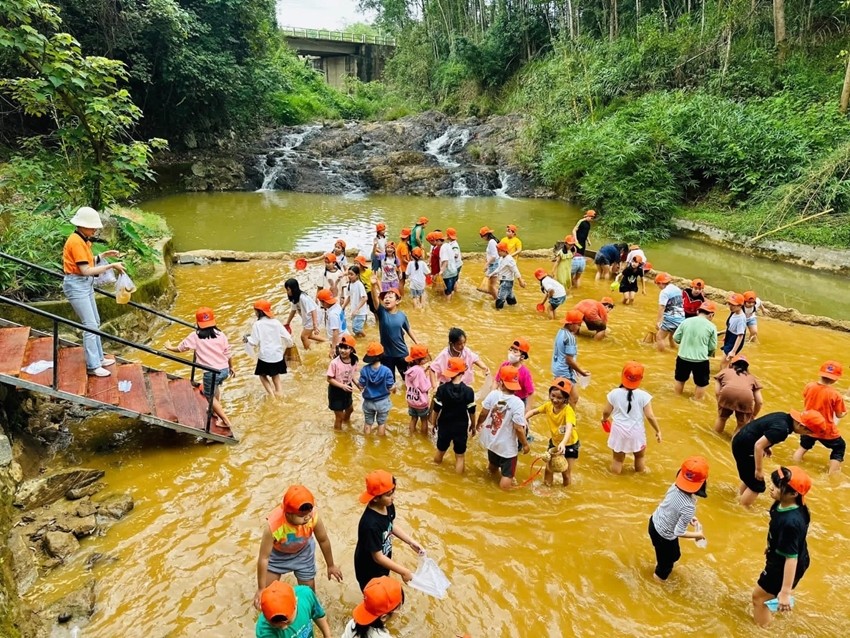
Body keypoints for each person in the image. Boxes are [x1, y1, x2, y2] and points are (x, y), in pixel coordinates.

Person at [254, 485, 343, 606]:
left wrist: (331, 565)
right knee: (268, 597)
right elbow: (264, 557)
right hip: (277, 558)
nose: (307, 517)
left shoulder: (313, 518)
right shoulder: (274, 526)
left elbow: (323, 540)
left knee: (309, 596)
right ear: (288, 513)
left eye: (309, 512)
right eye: (302, 516)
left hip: (303, 554)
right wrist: (260, 589)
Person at [62, 206, 125, 377]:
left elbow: (86, 262)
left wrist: (103, 255)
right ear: (81, 226)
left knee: (95, 322)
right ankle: (93, 366)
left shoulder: (83, 240)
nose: (95, 230)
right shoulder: (75, 242)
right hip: (77, 285)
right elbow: (86, 270)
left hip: (84, 284)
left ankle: (98, 359)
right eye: (92, 227)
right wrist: (112, 265)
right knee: (89, 326)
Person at [752, 466, 812, 628]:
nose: (772, 487)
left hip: (785, 565)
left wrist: (785, 592)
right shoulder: (783, 504)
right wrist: (771, 546)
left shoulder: (791, 522)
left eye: (778, 486)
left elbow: (791, 558)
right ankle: (779, 601)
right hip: (792, 558)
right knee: (767, 594)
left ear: (793, 494)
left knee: (758, 598)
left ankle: (765, 630)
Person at [732, 409, 827, 507]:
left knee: (750, 478)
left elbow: (762, 429)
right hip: (745, 448)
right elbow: (758, 446)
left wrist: (766, 447)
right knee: (757, 485)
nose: (806, 435)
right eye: (808, 432)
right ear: (801, 426)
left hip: (741, 440)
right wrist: (759, 469)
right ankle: (742, 508)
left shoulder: (783, 417)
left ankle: (738, 498)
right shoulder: (782, 430)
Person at [166, 307, 234, 430]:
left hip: (211, 372)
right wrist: (231, 367)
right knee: (215, 387)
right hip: (224, 369)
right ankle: (214, 410)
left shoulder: (195, 336)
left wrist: (170, 348)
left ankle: (226, 421)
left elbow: (182, 348)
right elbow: (228, 352)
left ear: (197, 323)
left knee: (209, 396)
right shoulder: (221, 334)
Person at [354, 470, 422, 590]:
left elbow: (390, 525)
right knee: (375, 598)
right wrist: (404, 571)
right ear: (375, 498)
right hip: (368, 569)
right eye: (388, 495)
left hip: (383, 562)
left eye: (393, 492)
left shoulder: (388, 506)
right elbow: (378, 557)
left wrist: (410, 541)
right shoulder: (370, 525)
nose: (393, 497)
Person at [648, 457, 708, 581]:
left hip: (654, 523)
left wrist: (689, 517)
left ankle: (661, 564)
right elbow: (678, 532)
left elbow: (672, 506)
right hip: (665, 536)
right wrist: (698, 535)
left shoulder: (674, 486)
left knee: (672, 555)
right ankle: (657, 581)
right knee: (665, 566)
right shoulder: (689, 506)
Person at [475, 366, 531, 490]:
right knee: (507, 479)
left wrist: (478, 424)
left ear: (501, 383)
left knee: (492, 467)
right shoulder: (518, 403)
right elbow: (518, 428)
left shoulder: (493, 395)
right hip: (507, 449)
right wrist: (525, 444)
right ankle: (504, 493)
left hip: (492, 442)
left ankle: (487, 489)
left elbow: (483, 413)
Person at [601, 361, 661, 474]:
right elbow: (650, 416)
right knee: (639, 457)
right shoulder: (644, 396)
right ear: (641, 378)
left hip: (618, 431)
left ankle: (614, 483)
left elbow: (606, 412)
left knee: (617, 460)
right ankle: (639, 479)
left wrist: (604, 419)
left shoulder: (614, 393)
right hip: (636, 432)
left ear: (623, 375)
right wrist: (658, 431)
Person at [793, 361, 847, 474]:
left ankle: (794, 467)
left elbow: (806, 397)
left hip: (807, 426)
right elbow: (839, 414)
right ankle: (832, 476)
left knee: (803, 447)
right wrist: (845, 413)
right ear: (836, 379)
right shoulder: (835, 395)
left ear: (820, 374)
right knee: (839, 447)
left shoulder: (809, 386)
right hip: (825, 430)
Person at [526, 378, 578, 486]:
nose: (554, 400)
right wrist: (524, 419)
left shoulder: (568, 411)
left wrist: (563, 443)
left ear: (566, 399)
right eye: (552, 396)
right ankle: (547, 488)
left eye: (559, 397)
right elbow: (534, 411)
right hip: (554, 443)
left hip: (569, 445)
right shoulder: (548, 406)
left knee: (566, 473)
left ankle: (566, 493)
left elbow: (569, 427)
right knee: (549, 469)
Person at [431, 357, 476, 473]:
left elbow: (436, 409)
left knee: (440, 451)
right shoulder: (468, 391)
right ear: (463, 372)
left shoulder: (442, 389)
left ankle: (434, 472)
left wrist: (433, 422)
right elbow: (472, 411)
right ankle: (458, 482)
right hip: (460, 427)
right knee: (460, 456)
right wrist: (473, 426)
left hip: (444, 425)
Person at [368, 279, 417, 381]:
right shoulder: (382, 313)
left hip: (402, 353)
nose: (386, 299)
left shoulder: (402, 315)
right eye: (385, 297)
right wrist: (373, 286)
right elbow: (375, 300)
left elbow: (408, 329)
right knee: (390, 382)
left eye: (390, 297)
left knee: (408, 379)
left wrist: (417, 342)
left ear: (398, 301)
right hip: (386, 355)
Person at [245, 299, 293, 399]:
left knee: (262, 375)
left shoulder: (257, 325)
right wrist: (289, 346)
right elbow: (288, 337)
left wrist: (247, 338)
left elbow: (254, 342)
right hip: (278, 356)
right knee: (275, 375)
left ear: (258, 312)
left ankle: (271, 395)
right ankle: (280, 393)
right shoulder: (276, 322)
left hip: (265, 357)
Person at [672, 300, 718, 400]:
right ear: (711, 315)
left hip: (683, 357)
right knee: (701, 384)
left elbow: (676, 338)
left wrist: (684, 343)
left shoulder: (686, 321)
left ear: (698, 311)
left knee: (680, 379)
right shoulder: (712, 327)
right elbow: (713, 347)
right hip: (700, 360)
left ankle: (677, 399)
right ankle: (696, 402)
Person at [255, 580, 332, 638]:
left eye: (287, 622)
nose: (284, 628)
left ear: (296, 602)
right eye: (276, 626)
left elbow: (318, 615)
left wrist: (327, 635)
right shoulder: (264, 631)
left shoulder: (306, 595)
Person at [551, 310, 590, 408]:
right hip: (565, 372)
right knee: (574, 398)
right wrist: (582, 372)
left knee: (560, 398)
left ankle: (558, 416)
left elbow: (563, 355)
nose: (579, 327)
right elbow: (569, 360)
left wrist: (575, 371)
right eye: (579, 324)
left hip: (557, 369)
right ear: (571, 324)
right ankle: (570, 421)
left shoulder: (560, 332)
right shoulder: (570, 338)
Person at [357, 343, 396, 436]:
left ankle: (367, 443)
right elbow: (390, 387)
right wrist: (395, 388)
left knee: (368, 423)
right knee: (381, 423)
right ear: (381, 355)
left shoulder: (364, 370)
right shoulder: (386, 371)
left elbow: (361, 386)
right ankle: (381, 445)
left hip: (368, 402)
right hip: (382, 402)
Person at [327, 335, 359, 430]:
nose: (342, 350)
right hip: (336, 390)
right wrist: (341, 386)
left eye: (346, 348)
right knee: (339, 417)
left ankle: (347, 425)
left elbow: (351, 374)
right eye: (341, 347)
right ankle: (339, 437)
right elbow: (329, 379)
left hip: (347, 388)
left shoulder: (354, 361)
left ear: (352, 350)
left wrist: (358, 384)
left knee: (350, 409)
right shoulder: (334, 363)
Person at [285, 279, 325, 350]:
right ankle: (325, 341)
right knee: (308, 335)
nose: (287, 292)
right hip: (309, 317)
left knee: (303, 336)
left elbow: (313, 310)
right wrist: (287, 323)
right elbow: (293, 310)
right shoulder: (295, 298)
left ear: (293, 289)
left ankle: (309, 352)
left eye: (288, 289)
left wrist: (315, 325)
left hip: (314, 316)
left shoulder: (303, 298)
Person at [403, 344, 433, 435]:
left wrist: (424, 371)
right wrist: (428, 376)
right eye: (424, 359)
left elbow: (415, 379)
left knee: (413, 418)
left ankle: (411, 435)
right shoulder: (420, 371)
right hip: (420, 402)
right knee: (424, 420)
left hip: (411, 400)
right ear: (418, 360)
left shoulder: (409, 370)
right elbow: (424, 387)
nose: (425, 360)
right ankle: (424, 438)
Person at [498, 338, 534, 405]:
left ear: (522, 357)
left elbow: (530, 392)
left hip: (520, 400)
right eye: (511, 349)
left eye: (515, 351)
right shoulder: (504, 365)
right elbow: (496, 381)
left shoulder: (525, 373)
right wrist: (493, 394)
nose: (511, 353)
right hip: (505, 396)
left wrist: (527, 409)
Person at [654, 273, 685, 352]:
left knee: (659, 337)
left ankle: (661, 356)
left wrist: (658, 322)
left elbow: (662, 307)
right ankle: (674, 351)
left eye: (658, 284)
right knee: (671, 337)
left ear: (661, 283)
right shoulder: (676, 289)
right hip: (681, 318)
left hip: (671, 318)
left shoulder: (664, 292)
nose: (658, 287)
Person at [493, 241, 525, 309]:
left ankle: (497, 313)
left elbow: (516, 271)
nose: (497, 252)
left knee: (500, 298)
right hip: (505, 281)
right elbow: (499, 268)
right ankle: (514, 308)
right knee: (510, 297)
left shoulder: (510, 259)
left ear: (504, 251)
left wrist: (520, 281)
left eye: (499, 251)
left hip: (506, 282)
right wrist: (491, 274)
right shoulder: (502, 258)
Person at [722, 292, 747, 367]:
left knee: (723, 364)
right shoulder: (734, 313)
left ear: (740, 305)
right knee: (726, 362)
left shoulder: (741, 319)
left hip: (734, 340)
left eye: (733, 305)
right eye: (730, 304)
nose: (730, 306)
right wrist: (724, 334)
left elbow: (740, 336)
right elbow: (731, 327)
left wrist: (733, 351)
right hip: (729, 337)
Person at [342, 266, 369, 338]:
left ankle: (366, 337)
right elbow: (349, 297)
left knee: (356, 329)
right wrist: (343, 307)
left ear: (357, 275)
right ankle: (362, 340)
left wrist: (357, 309)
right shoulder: (349, 285)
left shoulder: (359, 285)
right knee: (355, 329)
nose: (349, 276)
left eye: (351, 274)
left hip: (360, 312)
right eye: (348, 274)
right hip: (354, 311)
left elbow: (365, 298)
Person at [317, 289, 345, 355]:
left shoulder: (332, 314)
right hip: (344, 337)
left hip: (339, 343)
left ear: (324, 302)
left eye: (321, 302)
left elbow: (336, 331)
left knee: (336, 362)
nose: (320, 304)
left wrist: (333, 348)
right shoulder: (337, 306)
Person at [479, 226, 500, 299]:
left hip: (493, 265)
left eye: (482, 236)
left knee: (492, 286)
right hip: (493, 264)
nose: (482, 238)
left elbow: (494, 256)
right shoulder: (493, 241)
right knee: (491, 285)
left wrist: (487, 264)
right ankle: (496, 297)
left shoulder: (491, 242)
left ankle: (498, 300)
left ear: (486, 235)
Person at [438, 231, 459, 300]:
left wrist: (441, 271)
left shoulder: (443, 248)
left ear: (438, 240)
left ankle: (447, 305)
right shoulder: (448, 245)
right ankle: (451, 303)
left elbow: (445, 261)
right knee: (451, 290)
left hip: (448, 273)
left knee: (447, 292)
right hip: (454, 271)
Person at [396, 229, 411, 296]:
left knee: (401, 281)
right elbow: (404, 259)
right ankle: (401, 296)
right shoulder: (404, 246)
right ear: (408, 237)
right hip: (402, 268)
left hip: (399, 267)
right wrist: (411, 263)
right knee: (402, 282)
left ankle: (399, 294)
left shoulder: (401, 244)